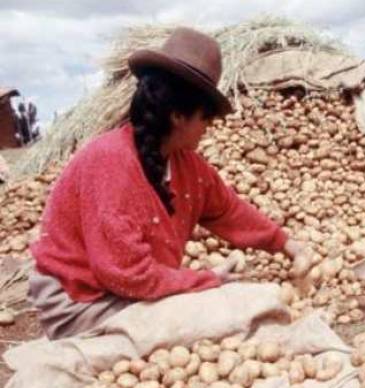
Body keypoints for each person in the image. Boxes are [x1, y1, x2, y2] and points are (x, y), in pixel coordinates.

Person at [29, 27, 313, 339]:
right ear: (178, 115)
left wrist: (288, 244)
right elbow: (126, 276)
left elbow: (229, 211)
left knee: (230, 307)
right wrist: (205, 280)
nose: (209, 128)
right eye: (206, 118)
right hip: (81, 299)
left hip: (127, 289)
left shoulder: (185, 164)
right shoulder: (111, 161)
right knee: (224, 313)